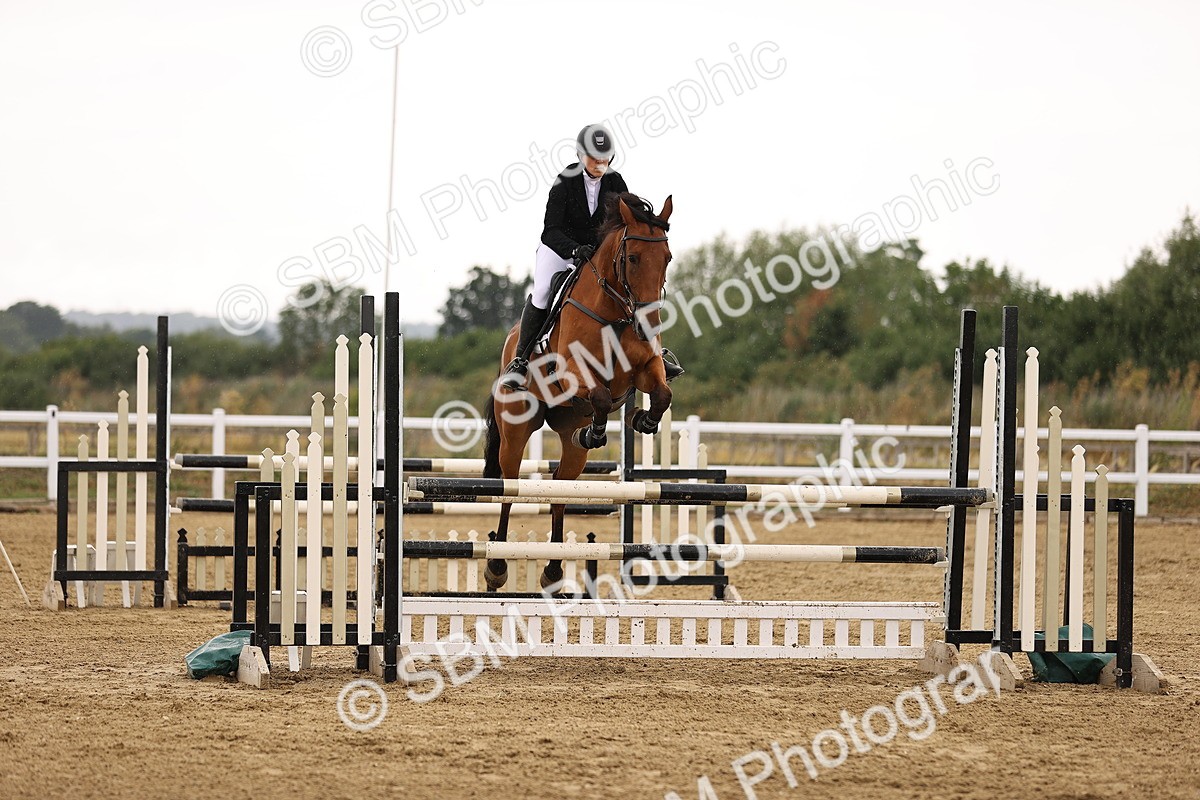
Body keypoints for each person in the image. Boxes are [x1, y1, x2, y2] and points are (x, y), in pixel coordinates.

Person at [500, 123, 684, 390]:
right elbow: (550, 230)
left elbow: (627, 222)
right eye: (594, 157)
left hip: (598, 253)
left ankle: (655, 354)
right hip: (560, 250)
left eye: (604, 158)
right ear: (581, 156)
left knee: (630, 289)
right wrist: (575, 250)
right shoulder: (565, 181)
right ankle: (520, 361)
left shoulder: (615, 181)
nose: (599, 163)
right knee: (541, 292)